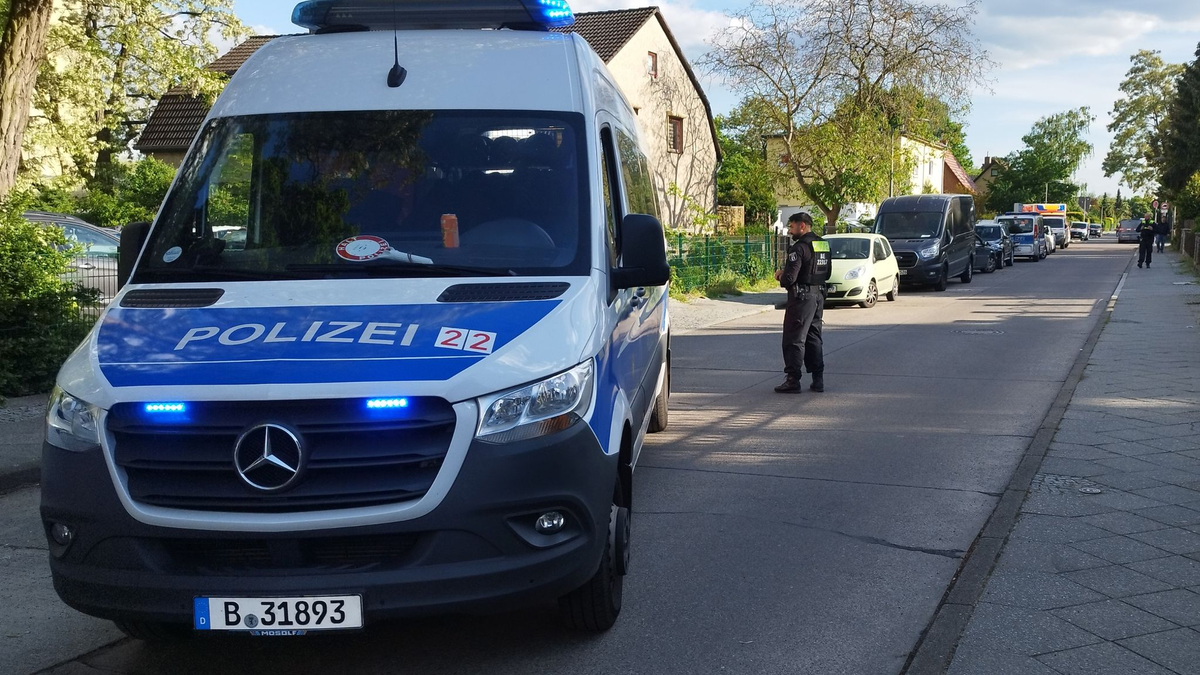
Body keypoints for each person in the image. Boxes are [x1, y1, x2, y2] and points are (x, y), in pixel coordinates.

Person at [774, 212, 830, 393]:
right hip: (819, 296)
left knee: (794, 338)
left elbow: (789, 279)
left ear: (802, 226)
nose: (790, 230)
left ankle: (792, 380)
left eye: (792, 226)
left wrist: (781, 276)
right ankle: (818, 379)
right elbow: (827, 273)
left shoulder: (799, 248)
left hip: (801, 298)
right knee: (814, 337)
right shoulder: (822, 244)